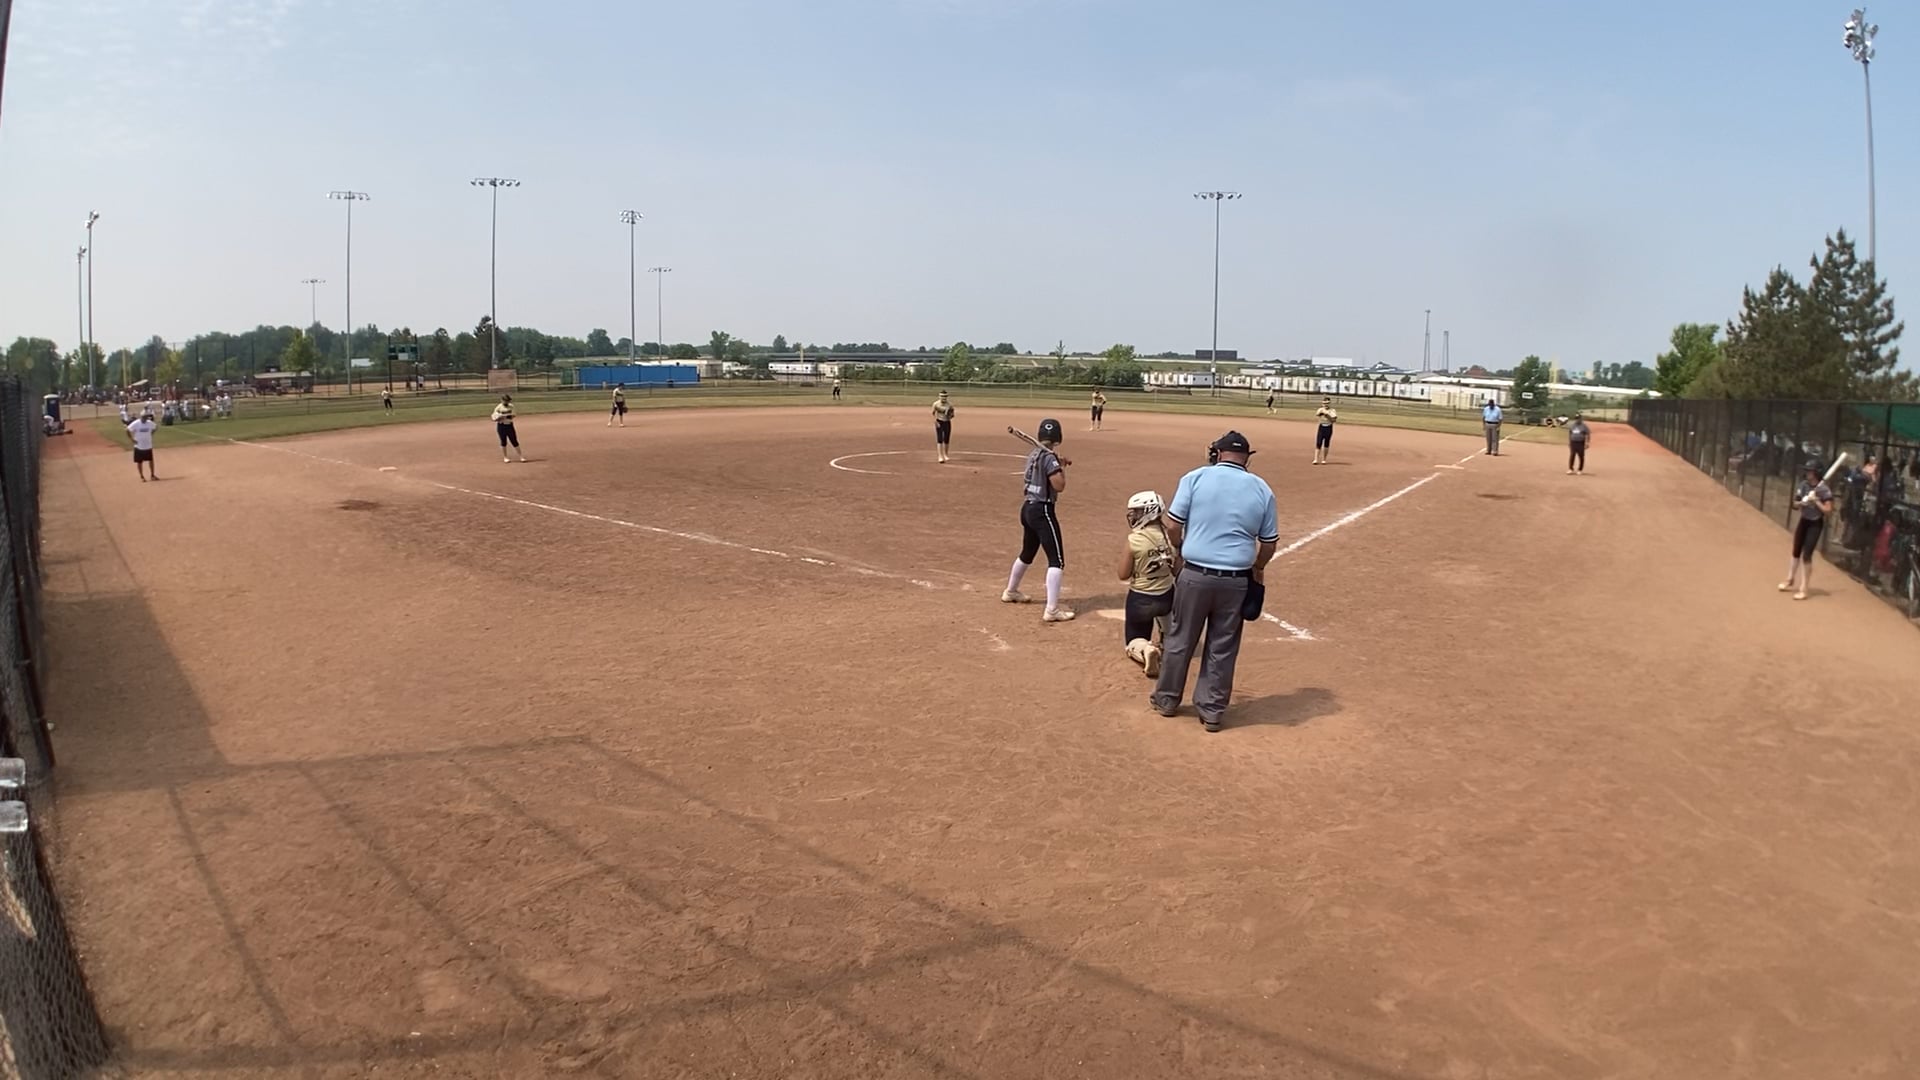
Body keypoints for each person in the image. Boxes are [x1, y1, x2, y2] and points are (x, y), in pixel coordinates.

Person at [1150, 431, 1279, 733]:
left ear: (1218, 454)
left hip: (1195, 575)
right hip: (1235, 582)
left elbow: (1172, 525)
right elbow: (1269, 543)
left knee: (1180, 640)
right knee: (1223, 646)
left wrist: (1181, 549)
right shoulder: (1262, 489)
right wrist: (1258, 568)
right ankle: (1212, 712)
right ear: (1246, 458)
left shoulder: (1195, 478)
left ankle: (1167, 700)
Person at [1002, 417, 1074, 622]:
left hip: (1028, 508)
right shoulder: (1049, 458)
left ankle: (1011, 591)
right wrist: (1060, 467)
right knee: (1057, 560)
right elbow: (1059, 485)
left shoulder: (1034, 454)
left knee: (1027, 553)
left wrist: (1057, 463)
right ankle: (1052, 610)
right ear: (1058, 437)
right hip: (1043, 510)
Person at [1117, 491, 1178, 677]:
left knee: (1134, 640)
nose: (1134, 516)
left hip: (1141, 598)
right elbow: (1177, 569)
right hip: (1167, 595)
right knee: (1169, 628)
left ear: (1149, 512)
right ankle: (1169, 642)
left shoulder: (1135, 540)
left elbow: (1123, 574)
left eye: (1137, 511)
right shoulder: (1170, 536)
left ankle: (1146, 650)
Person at [1780, 460, 1834, 601]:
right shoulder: (1803, 485)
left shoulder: (1824, 490)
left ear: (1816, 473)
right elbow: (1794, 504)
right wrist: (1801, 503)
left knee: (1807, 555)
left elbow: (1828, 511)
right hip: (1804, 521)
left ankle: (1804, 589)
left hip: (1815, 524)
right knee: (1796, 551)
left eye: (1810, 470)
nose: (1807, 473)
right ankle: (1790, 579)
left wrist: (1816, 501)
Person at [127, 407, 159, 482]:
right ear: (141, 417)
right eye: (144, 417)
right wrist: (132, 439)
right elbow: (127, 430)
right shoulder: (136, 423)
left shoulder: (149, 423)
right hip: (139, 446)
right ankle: (142, 476)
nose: (145, 419)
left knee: (151, 460)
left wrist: (151, 433)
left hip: (148, 445)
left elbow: (156, 427)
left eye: (146, 417)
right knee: (139, 462)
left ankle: (152, 475)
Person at [491, 394, 526, 463]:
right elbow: (494, 418)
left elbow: (513, 415)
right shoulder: (498, 407)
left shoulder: (511, 406)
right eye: (506, 401)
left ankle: (521, 456)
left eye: (508, 401)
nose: (507, 402)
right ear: (502, 400)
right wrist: (498, 417)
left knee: (514, 440)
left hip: (509, 426)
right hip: (501, 426)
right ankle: (505, 457)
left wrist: (504, 416)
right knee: (503, 441)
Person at [932, 390, 956, 464]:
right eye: (942, 396)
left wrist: (950, 415)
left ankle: (946, 455)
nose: (943, 398)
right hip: (939, 422)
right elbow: (933, 413)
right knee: (940, 439)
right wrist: (936, 421)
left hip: (947, 422)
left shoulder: (950, 405)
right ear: (939, 396)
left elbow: (952, 415)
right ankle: (940, 456)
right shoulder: (936, 404)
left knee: (946, 438)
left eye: (945, 396)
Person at [1312, 397, 1338, 465]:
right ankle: (1316, 459)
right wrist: (1323, 412)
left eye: (1327, 403)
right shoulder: (1320, 409)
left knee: (1326, 443)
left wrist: (1327, 415)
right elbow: (1318, 414)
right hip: (1321, 427)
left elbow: (1334, 420)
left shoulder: (1332, 410)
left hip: (1328, 427)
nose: (1326, 405)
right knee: (1319, 443)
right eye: (1324, 403)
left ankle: (1324, 459)